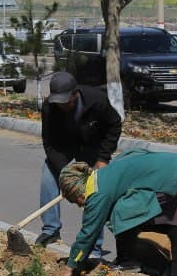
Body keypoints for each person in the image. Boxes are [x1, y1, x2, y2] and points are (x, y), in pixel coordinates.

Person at [55, 148, 177, 276]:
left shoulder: (97, 192)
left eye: (75, 201)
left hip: (164, 178)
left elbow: (89, 232)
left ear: (78, 191)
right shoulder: (101, 175)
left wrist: (71, 266)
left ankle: (128, 261)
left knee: (118, 213)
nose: (79, 205)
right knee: (176, 230)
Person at [37, 71, 122, 247]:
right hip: (64, 147)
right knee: (48, 176)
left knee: (95, 190)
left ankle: (94, 244)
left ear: (75, 94)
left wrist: (103, 158)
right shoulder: (49, 107)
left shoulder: (97, 100)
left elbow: (114, 125)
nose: (61, 106)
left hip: (93, 147)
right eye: (58, 102)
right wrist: (66, 173)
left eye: (65, 101)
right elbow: (50, 143)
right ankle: (51, 230)